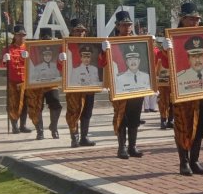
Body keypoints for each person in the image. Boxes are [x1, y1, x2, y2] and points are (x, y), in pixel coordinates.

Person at [161, 2, 203, 176]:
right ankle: (183, 162)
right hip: (183, 88)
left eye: (197, 20)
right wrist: (167, 51)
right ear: (182, 20)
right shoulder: (173, 39)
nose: (194, 23)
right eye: (191, 19)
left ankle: (195, 160)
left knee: (201, 125)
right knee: (183, 125)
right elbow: (166, 65)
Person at [101, 10, 145, 159]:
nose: (127, 28)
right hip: (119, 86)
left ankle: (133, 146)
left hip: (137, 85)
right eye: (124, 25)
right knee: (121, 116)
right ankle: (122, 147)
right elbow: (102, 63)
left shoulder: (139, 42)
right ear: (117, 26)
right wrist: (103, 52)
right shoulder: (111, 43)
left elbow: (146, 62)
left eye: (129, 25)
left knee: (135, 117)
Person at [58, 18, 98, 147]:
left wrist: (105, 51)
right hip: (73, 85)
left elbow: (100, 64)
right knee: (73, 111)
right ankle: (74, 137)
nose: (80, 33)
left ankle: (84, 137)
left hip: (89, 85)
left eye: (82, 31)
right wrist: (60, 60)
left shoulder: (91, 44)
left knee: (87, 112)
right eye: (77, 30)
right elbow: (60, 68)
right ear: (72, 31)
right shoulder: (66, 45)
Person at [25, 29, 62, 140]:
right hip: (38, 87)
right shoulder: (37, 66)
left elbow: (59, 73)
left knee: (56, 104)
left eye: (49, 55)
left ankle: (54, 127)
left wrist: (62, 59)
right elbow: (31, 73)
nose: (47, 57)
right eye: (45, 56)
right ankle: (39, 131)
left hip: (51, 85)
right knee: (37, 108)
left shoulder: (54, 63)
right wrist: (25, 57)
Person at [1, 24, 32, 134]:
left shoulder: (29, 48)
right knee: (13, 103)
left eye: (23, 35)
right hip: (13, 80)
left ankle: (23, 125)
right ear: (15, 36)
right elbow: (2, 65)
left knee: (25, 103)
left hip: (25, 80)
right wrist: (5, 59)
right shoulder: (8, 49)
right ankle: (14, 125)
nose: (21, 37)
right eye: (19, 35)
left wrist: (29, 57)